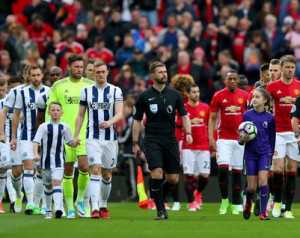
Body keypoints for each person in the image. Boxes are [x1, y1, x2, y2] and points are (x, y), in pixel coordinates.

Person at [132, 61, 192, 220]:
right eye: (160, 72)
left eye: (165, 72)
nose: (164, 74)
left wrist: (189, 132)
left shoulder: (175, 95)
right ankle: (160, 210)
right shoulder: (144, 96)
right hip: (152, 139)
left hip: (170, 139)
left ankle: (157, 197)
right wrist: (135, 142)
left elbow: (184, 115)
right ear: (153, 76)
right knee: (157, 172)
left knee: (173, 179)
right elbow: (137, 120)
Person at [73, 60, 123, 219]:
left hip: (110, 138)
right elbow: (80, 115)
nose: (100, 74)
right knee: (94, 169)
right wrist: (76, 135)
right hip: (92, 137)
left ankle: (103, 205)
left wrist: (109, 122)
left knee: (107, 174)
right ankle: (94, 208)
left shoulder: (116, 91)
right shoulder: (86, 91)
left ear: (107, 72)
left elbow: (120, 113)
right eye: (97, 72)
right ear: (93, 73)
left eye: (103, 71)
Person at [47, 54, 94, 218]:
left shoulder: (90, 85)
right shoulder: (58, 86)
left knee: (84, 167)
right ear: (68, 68)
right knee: (67, 171)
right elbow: (51, 108)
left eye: (82, 67)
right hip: (63, 135)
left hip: (84, 134)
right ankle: (70, 208)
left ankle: (79, 200)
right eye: (76, 67)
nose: (80, 70)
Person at [11, 64, 50, 215]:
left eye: (38, 75)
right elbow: (15, 114)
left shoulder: (49, 92)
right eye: (32, 75)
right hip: (27, 136)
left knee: (40, 170)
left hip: (44, 137)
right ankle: (29, 205)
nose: (35, 78)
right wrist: (14, 136)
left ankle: (36, 203)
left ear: (42, 75)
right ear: (28, 76)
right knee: (28, 167)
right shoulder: (23, 93)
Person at [208, 69, 249, 215]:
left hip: (240, 140)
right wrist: (211, 138)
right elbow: (212, 118)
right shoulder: (218, 96)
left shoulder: (245, 96)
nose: (232, 81)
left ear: (238, 80)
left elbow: (250, 117)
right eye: (229, 79)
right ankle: (225, 200)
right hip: (223, 139)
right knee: (223, 169)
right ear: (225, 80)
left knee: (238, 172)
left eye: (234, 79)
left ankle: (236, 202)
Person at [266, 55, 300, 219]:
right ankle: (277, 203)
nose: (290, 70)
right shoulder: (272, 87)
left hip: (294, 133)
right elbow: (265, 109)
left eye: (292, 67)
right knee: (278, 169)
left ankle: (287, 209)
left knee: (292, 169)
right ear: (282, 68)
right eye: (287, 67)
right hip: (277, 132)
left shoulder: (299, 86)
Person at [33, 102, 75, 219]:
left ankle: (58, 208)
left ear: (61, 113)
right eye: (53, 110)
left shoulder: (65, 127)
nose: (55, 112)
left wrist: (75, 143)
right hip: (45, 161)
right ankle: (48, 209)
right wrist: (36, 154)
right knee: (47, 186)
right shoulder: (43, 126)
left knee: (56, 182)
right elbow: (36, 141)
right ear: (48, 112)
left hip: (59, 161)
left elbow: (69, 142)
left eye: (57, 110)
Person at [240, 88, 276, 221]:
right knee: (252, 188)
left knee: (263, 181)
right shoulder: (247, 115)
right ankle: (248, 201)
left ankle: (263, 213)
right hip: (250, 154)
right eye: (253, 97)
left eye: (257, 97)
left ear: (265, 100)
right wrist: (241, 140)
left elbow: (272, 138)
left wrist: (270, 155)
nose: (254, 99)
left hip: (264, 153)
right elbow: (241, 136)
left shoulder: (270, 118)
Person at [182, 84, 210, 211]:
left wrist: (211, 143)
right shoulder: (183, 108)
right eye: (193, 92)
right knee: (188, 174)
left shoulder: (205, 108)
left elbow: (210, 126)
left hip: (203, 145)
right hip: (188, 146)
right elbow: (177, 127)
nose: (196, 94)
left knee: (204, 176)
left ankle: (197, 193)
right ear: (188, 94)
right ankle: (191, 202)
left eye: (198, 91)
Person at [0, 78, 17, 213]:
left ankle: (14, 199)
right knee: (5, 168)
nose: (1, 92)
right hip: (3, 140)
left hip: (13, 140)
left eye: (3, 89)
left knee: (9, 169)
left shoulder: (14, 102)